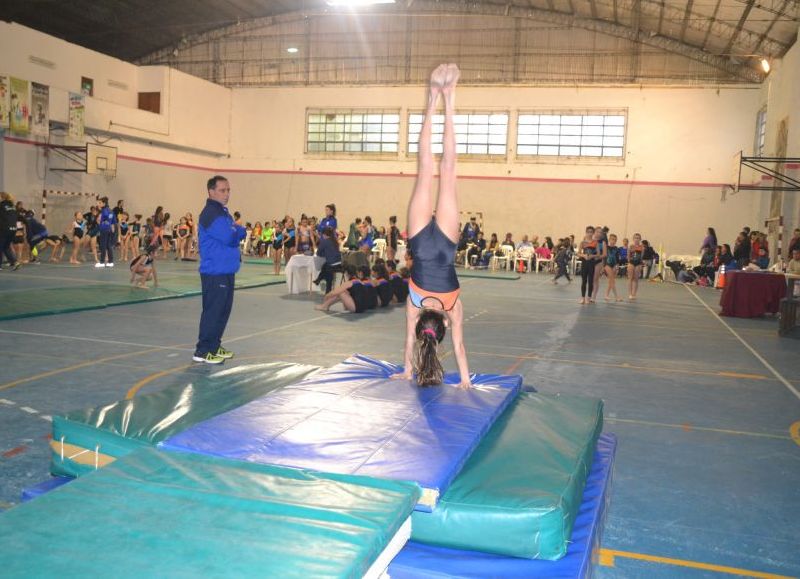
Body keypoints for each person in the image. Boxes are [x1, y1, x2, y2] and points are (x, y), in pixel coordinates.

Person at [392, 63, 471, 389]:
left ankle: (449, 97)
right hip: (422, 243)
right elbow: (410, 344)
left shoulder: (453, 308)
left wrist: (465, 380)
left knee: (448, 171)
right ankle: (434, 97)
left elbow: (460, 347)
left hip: (446, 246)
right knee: (426, 168)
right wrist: (408, 371)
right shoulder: (413, 305)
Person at [193, 176, 246, 365]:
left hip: (226, 270)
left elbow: (234, 232)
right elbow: (230, 236)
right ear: (211, 192)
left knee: (223, 311)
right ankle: (202, 349)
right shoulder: (210, 213)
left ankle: (214, 345)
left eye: (228, 190)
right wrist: (237, 230)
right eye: (222, 190)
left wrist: (236, 230)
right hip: (215, 271)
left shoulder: (223, 213)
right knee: (213, 311)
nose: (226, 194)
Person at [313, 226, 342, 294]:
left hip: (332, 264)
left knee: (327, 270)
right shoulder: (335, 241)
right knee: (325, 266)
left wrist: (324, 254)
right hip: (339, 263)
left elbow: (318, 253)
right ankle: (318, 280)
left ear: (324, 234)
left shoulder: (324, 241)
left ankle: (327, 289)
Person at [577, 228, 598, 304]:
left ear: (593, 233)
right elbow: (578, 253)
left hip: (591, 263)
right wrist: (583, 255)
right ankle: (583, 298)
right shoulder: (582, 243)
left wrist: (592, 256)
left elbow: (598, 254)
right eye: (588, 232)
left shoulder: (595, 242)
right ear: (586, 233)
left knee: (590, 281)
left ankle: (588, 297)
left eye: (591, 232)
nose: (589, 233)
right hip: (584, 263)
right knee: (584, 280)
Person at [0, 192, 20, 270]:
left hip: (5, 229)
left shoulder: (1, 205)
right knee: (6, 246)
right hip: (13, 229)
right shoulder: (13, 206)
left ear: (2, 197)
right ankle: (15, 262)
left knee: (1, 246)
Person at [96, 197, 116, 267]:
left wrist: (101, 220)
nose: (98, 204)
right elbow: (113, 221)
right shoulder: (111, 211)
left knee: (103, 245)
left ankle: (101, 262)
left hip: (104, 229)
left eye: (100, 203)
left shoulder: (104, 211)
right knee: (108, 245)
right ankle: (110, 262)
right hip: (109, 229)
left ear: (104, 203)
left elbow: (102, 219)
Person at [604, 234, 622, 301]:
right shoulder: (606, 247)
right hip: (607, 264)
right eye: (611, 239)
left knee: (611, 281)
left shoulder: (617, 249)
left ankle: (606, 295)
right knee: (612, 280)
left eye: (614, 239)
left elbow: (617, 259)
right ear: (609, 240)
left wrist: (617, 267)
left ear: (616, 241)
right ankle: (616, 296)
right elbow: (604, 257)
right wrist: (603, 266)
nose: (613, 241)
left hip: (614, 265)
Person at [627, 233, 645, 300]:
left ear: (640, 239)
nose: (636, 239)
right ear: (633, 239)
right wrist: (629, 262)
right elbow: (628, 256)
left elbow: (641, 257)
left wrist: (640, 264)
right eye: (635, 238)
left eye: (638, 238)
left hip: (638, 263)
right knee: (630, 278)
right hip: (631, 263)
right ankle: (630, 294)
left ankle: (634, 294)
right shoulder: (630, 246)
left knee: (636, 279)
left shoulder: (642, 247)